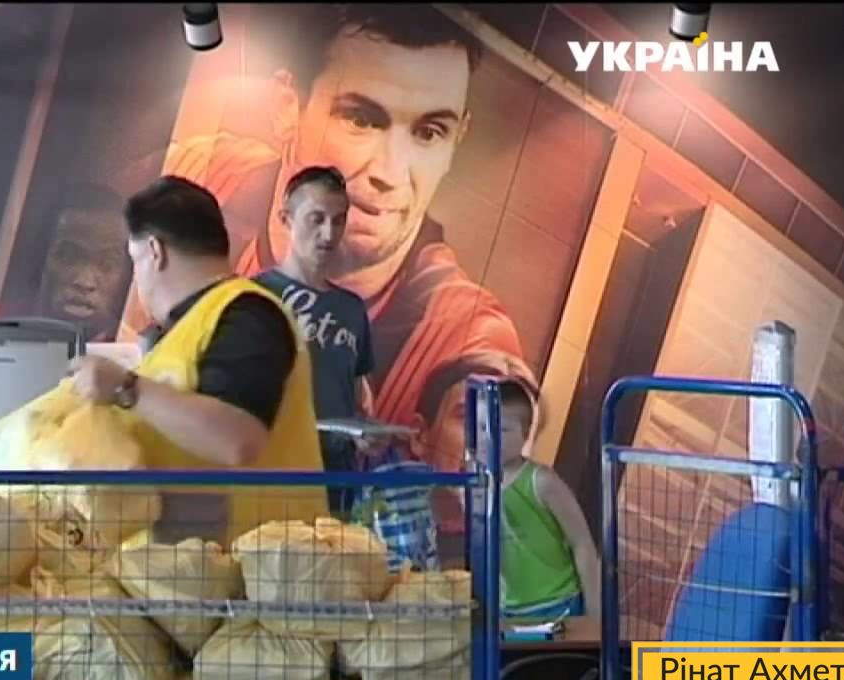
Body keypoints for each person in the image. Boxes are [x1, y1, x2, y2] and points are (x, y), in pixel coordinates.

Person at [114, 3, 537, 466]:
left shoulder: (464, 330)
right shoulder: (204, 174)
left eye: (430, 131)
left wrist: (368, 437)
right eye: (361, 120)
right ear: (286, 107)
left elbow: (491, 454)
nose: (391, 172)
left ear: (458, 139)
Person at [69, 175, 328, 544]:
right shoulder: (188, 328)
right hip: (202, 563)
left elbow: (237, 438)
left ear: (155, 252)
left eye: (134, 262)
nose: (137, 281)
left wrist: (126, 389)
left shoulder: (246, 315)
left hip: (263, 563)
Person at [251, 166, 375, 505]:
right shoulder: (254, 297)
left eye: (339, 220)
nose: (328, 233)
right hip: (271, 470)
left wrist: (365, 433)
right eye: (316, 219)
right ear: (286, 219)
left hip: (336, 476)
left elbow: (357, 395)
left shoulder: (352, 309)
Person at [493, 381, 600, 619]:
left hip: (557, 605)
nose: (490, 436)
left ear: (525, 433)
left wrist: (595, 616)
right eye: (482, 427)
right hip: (506, 611)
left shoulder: (541, 481)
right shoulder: (475, 485)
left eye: (502, 429)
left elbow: (582, 543)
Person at [36, 184, 132, 341]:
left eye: (107, 264)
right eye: (68, 257)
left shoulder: (140, 350)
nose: (84, 282)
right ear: (41, 260)